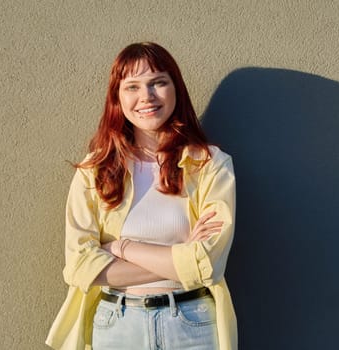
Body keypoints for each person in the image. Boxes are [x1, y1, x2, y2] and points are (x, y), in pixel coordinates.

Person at [46, 42, 237, 350]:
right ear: (117, 98)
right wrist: (182, 257)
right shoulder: (94, 171)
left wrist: (122, 247)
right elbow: (80, 268)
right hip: (117, 324)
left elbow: (209, 264)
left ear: (176, 88)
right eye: (132, 86)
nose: (146, 97)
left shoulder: (210, 165)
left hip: (192, 324)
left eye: (158, 82)